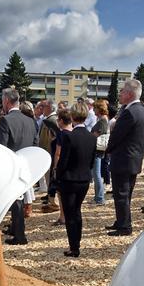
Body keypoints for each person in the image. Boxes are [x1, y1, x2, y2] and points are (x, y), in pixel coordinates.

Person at [105, 79, 144, 236]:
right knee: (126, 193)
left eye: (122, 91)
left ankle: (124, 226)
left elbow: (117, 135)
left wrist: (108, 149)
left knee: (121, 194)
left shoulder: (129, 112)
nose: (120, 94)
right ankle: (121, 221)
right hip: (134, 157)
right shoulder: (143, 110)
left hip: (123, 158)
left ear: (130, 94)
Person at [0, 88, 38, 245]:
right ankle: (15, 229)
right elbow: (35, 145)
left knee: (16, 200)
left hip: (12, 164)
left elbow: (2, 148)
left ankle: (20, 236)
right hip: (27, 163)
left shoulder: (6, 120)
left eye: (2, 101)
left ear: (7, 101)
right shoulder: (31, 120)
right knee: (19, 198)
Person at [57, 102, 96, 257]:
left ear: (72, 116)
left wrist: (57, 178)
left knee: (70, 213)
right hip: (84, 179)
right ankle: (76, 244)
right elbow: (92, 161)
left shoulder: (69, 137)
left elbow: (63, 162)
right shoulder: (92, 137)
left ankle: (74, 246)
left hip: (69, 180)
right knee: (77, 211)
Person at [90, 99, 110, 205]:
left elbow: (98, 133)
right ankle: (98, 197)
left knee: (97, 175)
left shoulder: (102, 120)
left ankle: (100, 198)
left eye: (95, 108)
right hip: (98, 149)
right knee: (96, 174)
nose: (93, 110)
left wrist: (90, 135)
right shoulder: (102, 119)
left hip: (98, 149)